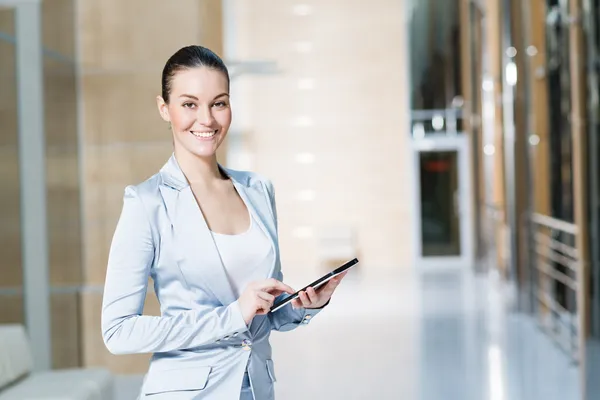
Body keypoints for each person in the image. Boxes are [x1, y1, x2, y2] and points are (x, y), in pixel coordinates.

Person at [100, 45, 347, 400]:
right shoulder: (146, 202)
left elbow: (259, 315)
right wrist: (232, 316)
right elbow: (119, 332)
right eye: (189, 104)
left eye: (219, 103)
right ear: (164, 109)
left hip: (256, 389)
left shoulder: (257, 190)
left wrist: (300, 306)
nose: (207, 119)